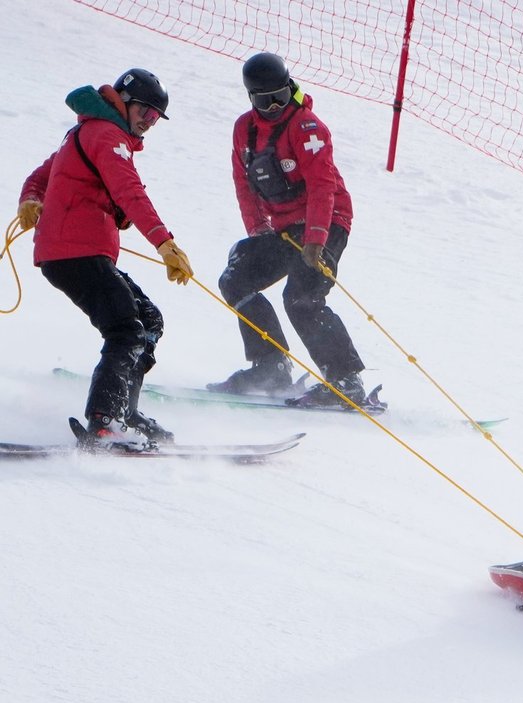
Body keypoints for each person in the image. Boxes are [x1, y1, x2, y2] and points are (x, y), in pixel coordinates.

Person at [17, 68, 193, 447]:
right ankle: (105, 420)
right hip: (75, 253)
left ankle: (122, 413)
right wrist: (165, 244)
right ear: (124, 102)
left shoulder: (85, 132)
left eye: (154, 119)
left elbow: (40, 177)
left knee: (147, 320)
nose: (147, 123)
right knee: (126, 330)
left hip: (77, 253)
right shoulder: (107, 135)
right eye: (144, 113)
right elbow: (129, 192)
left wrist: (31, 199)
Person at [208, 52, 365, 407]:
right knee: (236, 278)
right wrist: (258, 230)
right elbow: (244, 183)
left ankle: (346, 382)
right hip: (281, 229)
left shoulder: (307, 127)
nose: (274, 105)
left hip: (325, 222)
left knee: (301, 295)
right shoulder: (243, 129)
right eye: (264, 100)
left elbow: (323, 186)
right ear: (251, 97)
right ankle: (270, 365)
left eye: (281, 95)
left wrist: (315, 241)